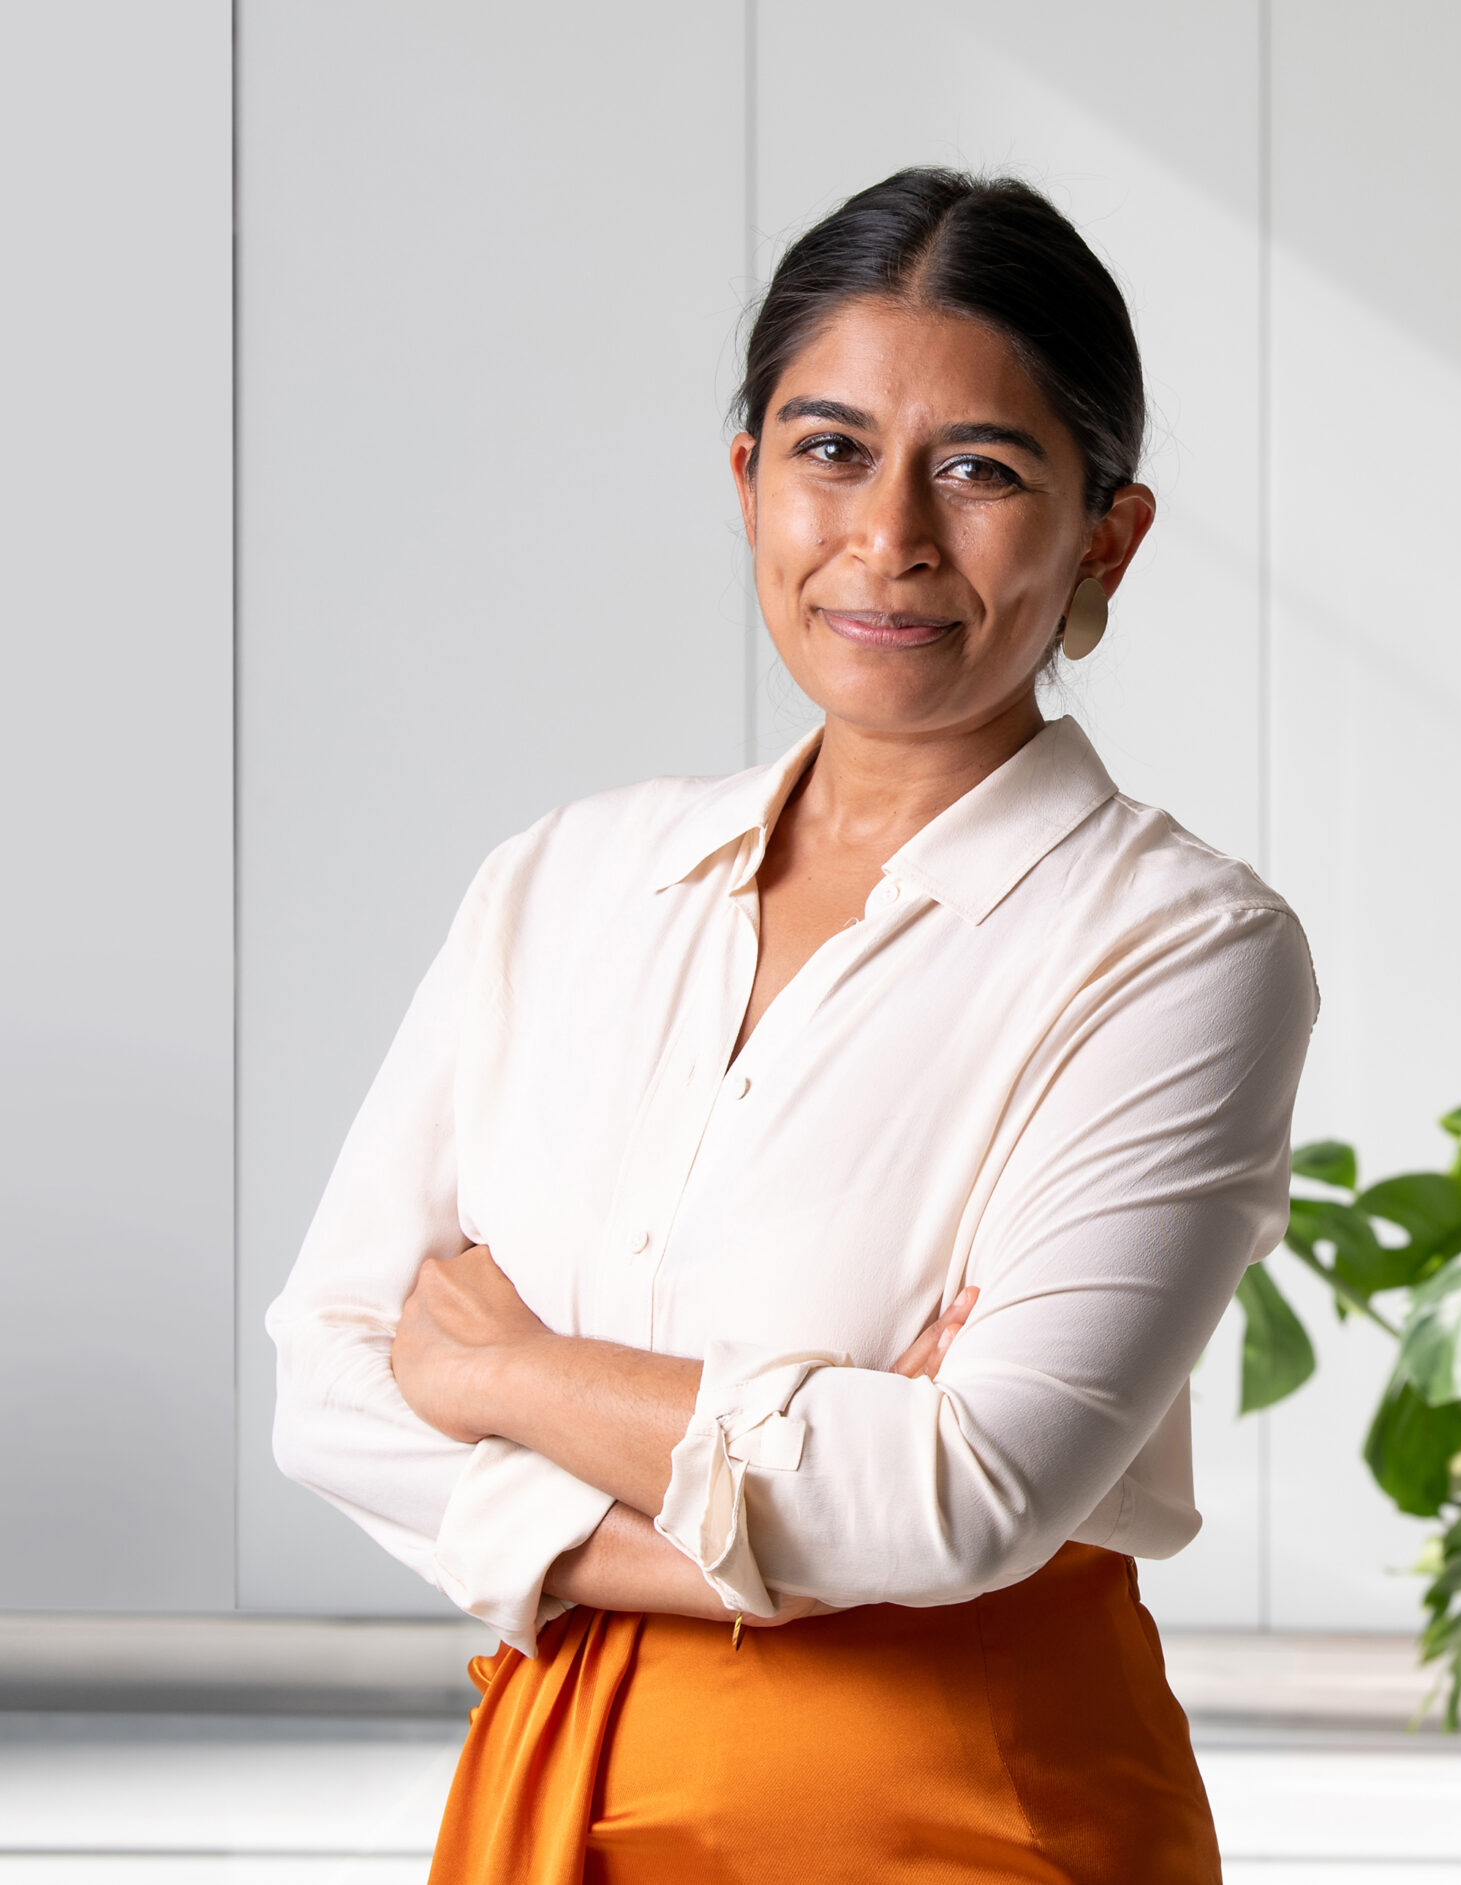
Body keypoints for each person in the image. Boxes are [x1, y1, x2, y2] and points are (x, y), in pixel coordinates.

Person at [266, 167, 1317, 1883]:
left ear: (1103, 537)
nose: (889, 535)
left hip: (958, 1815)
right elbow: (327, 1376)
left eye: (980, 470)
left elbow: (964, 1491)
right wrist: (769, 1503)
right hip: (548, 1775)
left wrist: (505, 1374)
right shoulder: (567, 881)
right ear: (750, 477)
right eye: (830, 449)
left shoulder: (1178, 949)